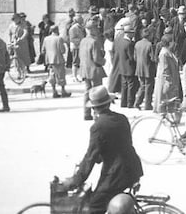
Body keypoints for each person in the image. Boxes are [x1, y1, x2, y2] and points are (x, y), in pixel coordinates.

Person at [61, 86, 143, 214]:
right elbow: (119, 144)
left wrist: (76, 180)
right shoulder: (122, 118)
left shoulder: (98, 127)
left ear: (94, 108)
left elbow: (91, 157)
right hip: (133, 168)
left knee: (93, 206)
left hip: (116, 174)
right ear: (108, 103)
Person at [79, 21, 108, 121]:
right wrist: (103, 61)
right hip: (94, 69)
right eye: (96, 28)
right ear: (92, 29)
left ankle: (86, 113)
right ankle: (97, 113)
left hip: (85, 69)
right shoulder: (94, 42)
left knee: (87, 91)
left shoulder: (82, 41)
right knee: (97, 91)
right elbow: (96, 58)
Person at [153, 34, 182, 113]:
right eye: (172, 41)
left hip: (170, 79)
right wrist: (169, 82)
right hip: (166, 81)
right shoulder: (164, 53)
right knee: (165, 99)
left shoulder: (168, 52)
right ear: (169, 42)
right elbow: (164, 69)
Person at [42, 26, 71, 98]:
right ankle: (63, 91)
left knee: (52, 75)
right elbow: (63, 50)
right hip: (58, 59)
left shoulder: (46, 39)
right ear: (57, 30)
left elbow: (43, 50)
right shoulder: (59, 38)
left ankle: (54, 91)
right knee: (61, 75)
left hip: (50, 60)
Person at [114, 25, 138, 109]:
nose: (133, 35)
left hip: (122, 66)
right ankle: (130, 102)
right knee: (131, 85)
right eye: (132, 33)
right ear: (128, 34)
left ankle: (123, 102)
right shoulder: (129, 44)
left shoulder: (120, 41)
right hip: (129, 67)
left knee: (124, 85)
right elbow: (131, 57)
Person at [134, 29, 156, 111]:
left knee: (142, 86)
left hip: (139, 68)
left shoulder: (137, 44)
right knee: (149, 87)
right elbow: (153, 58)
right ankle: (148, 104)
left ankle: (137, 102)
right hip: (148, 68)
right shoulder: (149, 45)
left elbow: (135, 57)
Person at [69, 15, 86, 82]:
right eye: (81, 19)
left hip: (81, 46)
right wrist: (81, 41)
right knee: (75, 62)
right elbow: (72, 39)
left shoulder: (81, 27)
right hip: (76, 47)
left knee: (81, 62)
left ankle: (81, 75)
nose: (82, 20)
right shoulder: (73, 28)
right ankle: (74, 76)